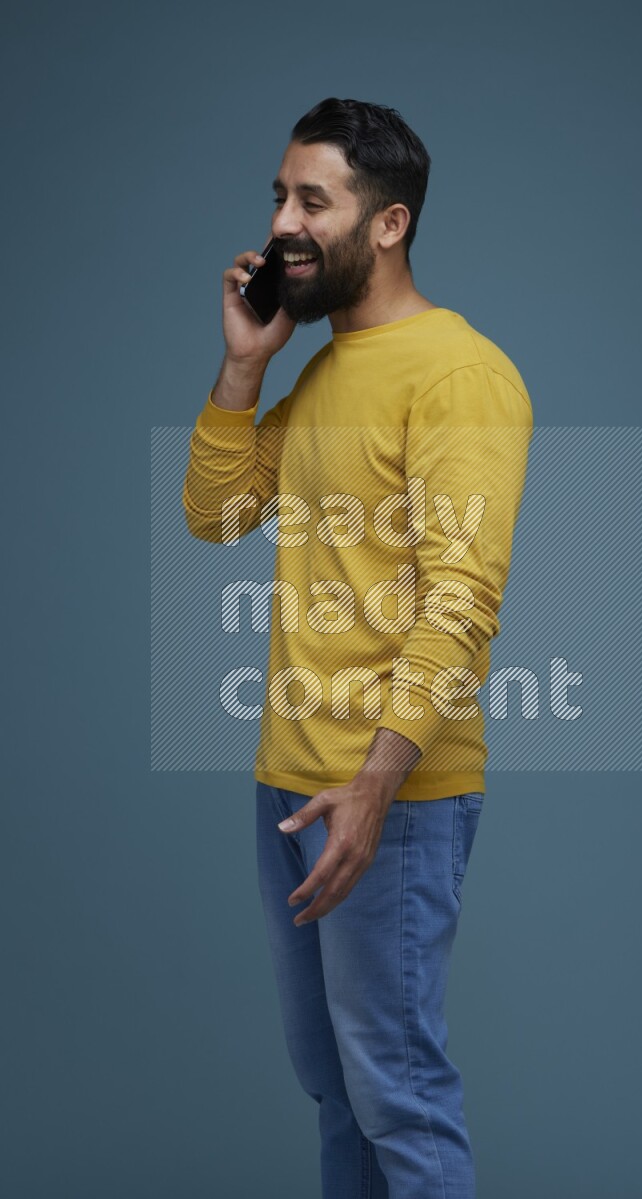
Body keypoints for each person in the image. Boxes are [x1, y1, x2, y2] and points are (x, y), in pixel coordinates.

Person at [182, 97, 533, 1199]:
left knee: (395, 1089)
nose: (283, 221)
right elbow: (217, 513)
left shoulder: (458, 373)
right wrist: (244, 367)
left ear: (387, 224)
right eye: (278, 195)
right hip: (289, 779)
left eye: (312, 200)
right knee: (334, 1086)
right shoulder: (325, 373)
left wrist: (376, 784)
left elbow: (460, 599)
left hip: (389, 788)